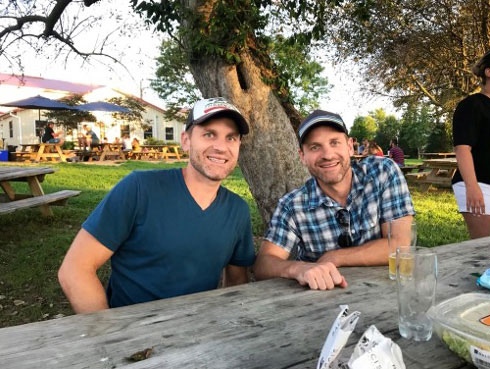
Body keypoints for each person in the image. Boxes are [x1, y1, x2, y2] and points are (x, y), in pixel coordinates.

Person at [58, 97, 255, 312]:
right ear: (186, 140)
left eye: (231, 138)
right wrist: (109, 337)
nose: (220, 147)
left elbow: (236, 284)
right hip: (133, 334)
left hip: (198, 333)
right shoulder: (139, 189)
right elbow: (75, 270)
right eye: (209, 134)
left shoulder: (238, 210)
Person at [253, 110, 415, 290]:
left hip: (384, 292)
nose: (327, 155)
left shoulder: (383, 173)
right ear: (302, 157)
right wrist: (297, 268)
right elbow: (263, 265)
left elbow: (400, 246)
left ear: (350, 146)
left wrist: (334, 257)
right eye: (315, 147)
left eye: (334, 143)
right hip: (320, 302)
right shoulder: (293, 205)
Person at [452, 50, 490, 239]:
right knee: (485, 250)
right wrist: (472, 187)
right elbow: (462, 148)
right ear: (488, 72)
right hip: (478, 184)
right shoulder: (471, 105)